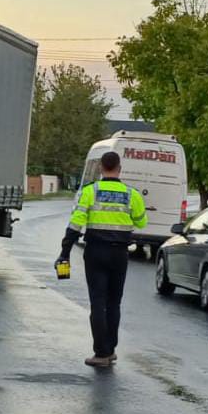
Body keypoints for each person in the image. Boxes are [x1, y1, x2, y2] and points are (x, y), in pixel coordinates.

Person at [57, 151, 147, 368]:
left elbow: (75, 224)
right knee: (114, 302)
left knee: (98, 302)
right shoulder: (131, 194)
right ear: (119, 168)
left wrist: (65, 252)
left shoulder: (90, 192)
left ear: (100, 168)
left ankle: (101, 353)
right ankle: (111, 348)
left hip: (96, 251)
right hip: (120, 254)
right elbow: (141, 222)